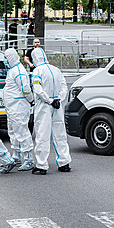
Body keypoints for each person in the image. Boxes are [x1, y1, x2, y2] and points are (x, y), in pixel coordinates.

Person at [30, 47, 72, 175]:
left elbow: (37, 89)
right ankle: (64, 162)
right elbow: (64, 87)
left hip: (44, 106)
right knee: (60, 134)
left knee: (42, 135)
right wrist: (58, 99)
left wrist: (48, 100)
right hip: (57, 106)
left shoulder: (37, 71)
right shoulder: (56, 70)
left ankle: (41, 165)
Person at [4, 48, 35, 170]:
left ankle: (29, 159)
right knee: (13, 132)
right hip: (12, 108)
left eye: (6, 58)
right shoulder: (13, 70)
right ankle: (16, 155)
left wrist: (30, 99)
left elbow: (26, 88)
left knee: (22, 132)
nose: (5, 61)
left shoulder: (18, 71)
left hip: (19, 107)